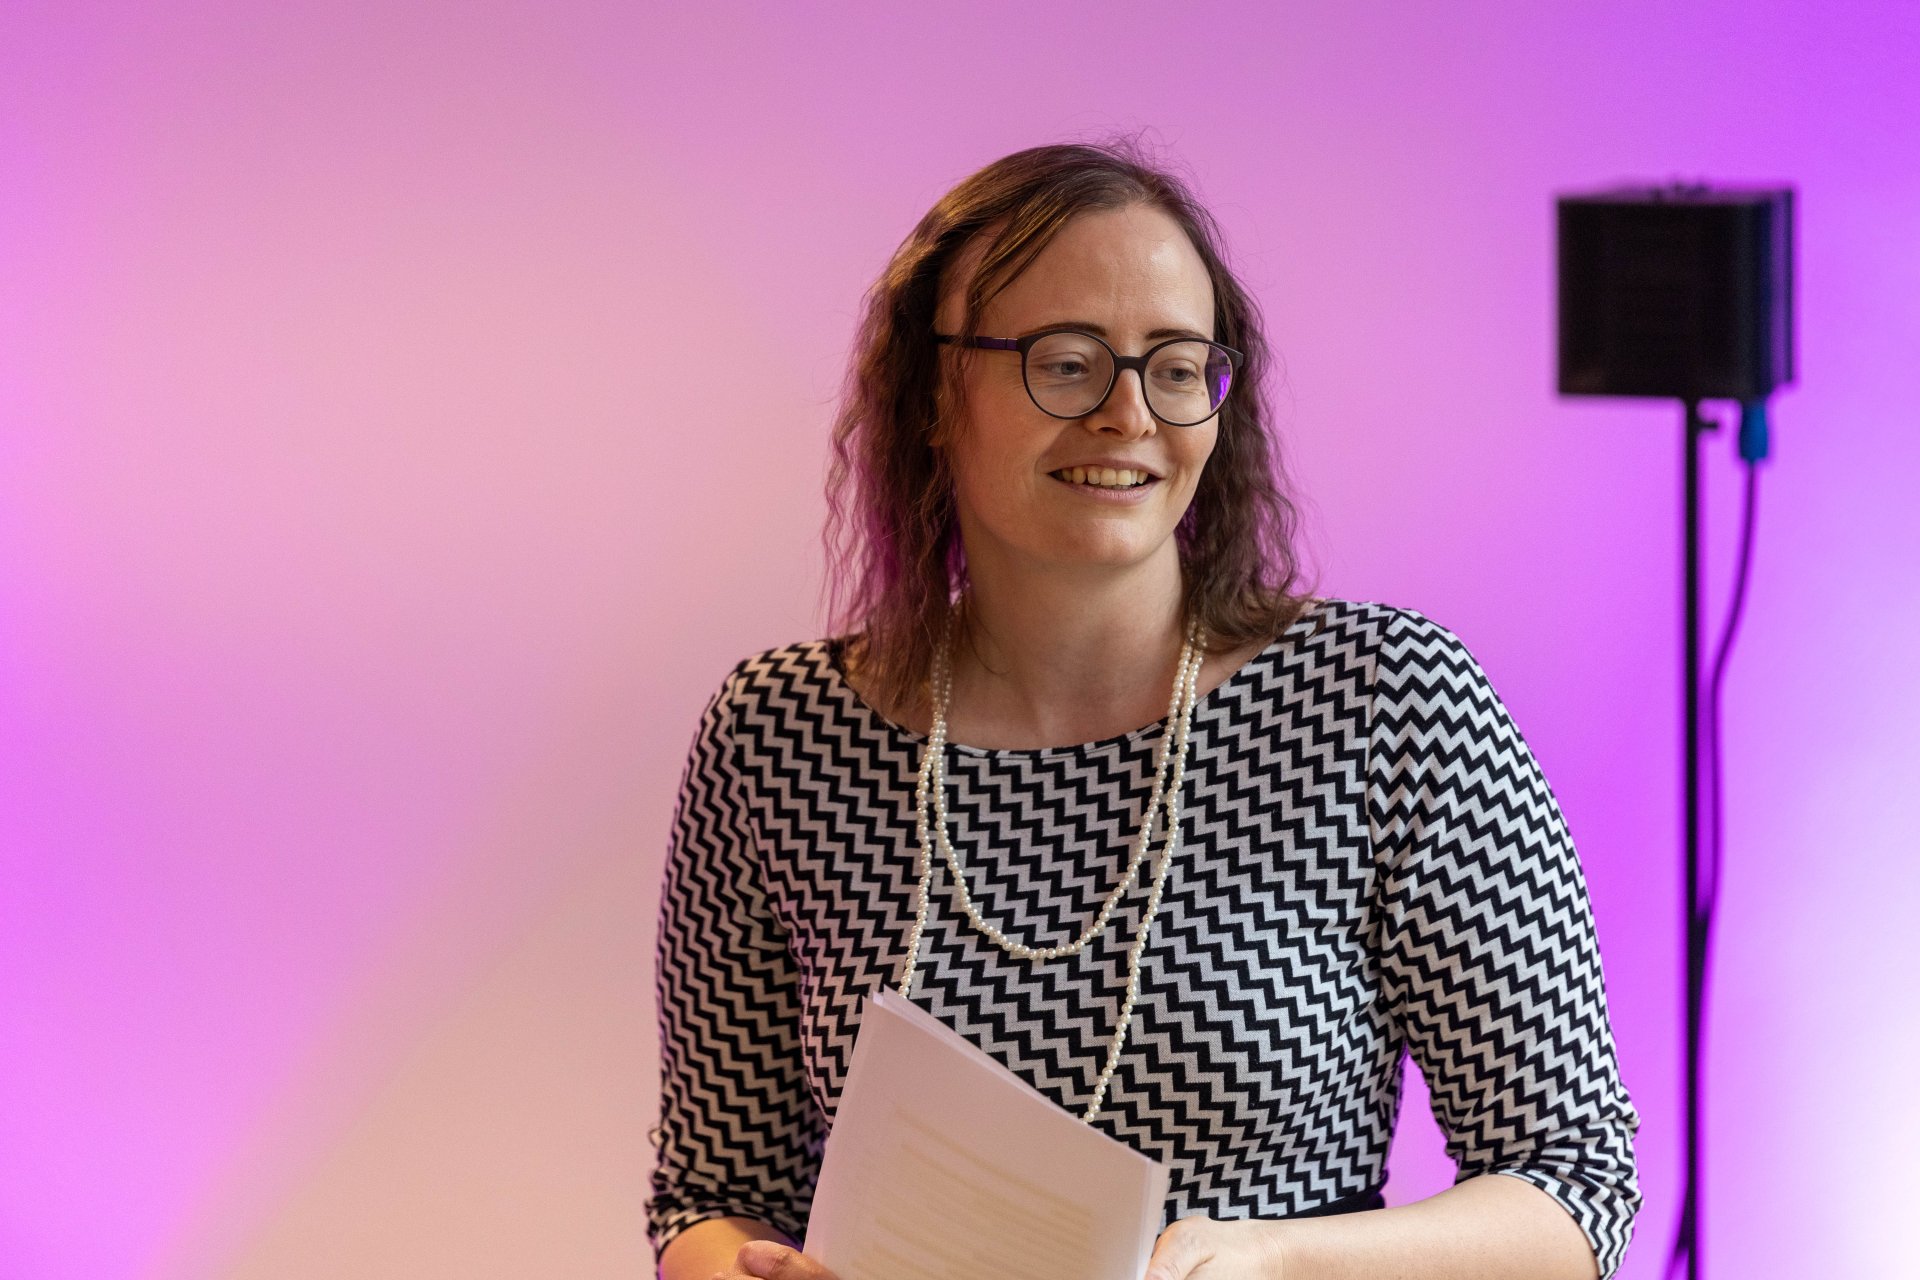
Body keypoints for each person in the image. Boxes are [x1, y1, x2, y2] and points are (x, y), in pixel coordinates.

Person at [648, 141, 1640, 1280]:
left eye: (1173, 367)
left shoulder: (1381, 699)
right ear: (931, 395)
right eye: (1066, 363)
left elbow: (1574, 1185)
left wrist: (1272, 1264)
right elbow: (712, 1195)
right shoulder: (778, 735)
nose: (1128, 414)